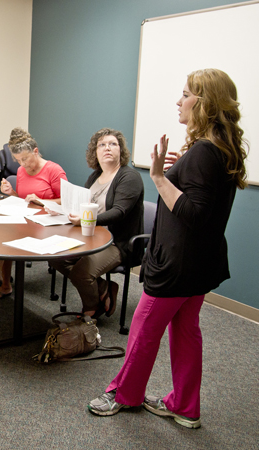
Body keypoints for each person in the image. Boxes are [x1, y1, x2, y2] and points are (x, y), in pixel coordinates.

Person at [87, 69, 248, 429]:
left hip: (178, 263)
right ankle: (185, 406)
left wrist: (160, 176)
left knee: (145, 329)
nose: (179, 100)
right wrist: (179, 173)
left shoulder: (206, 151)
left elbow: (194, 214)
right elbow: (200, 198)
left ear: (204, 104)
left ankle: (123, 394)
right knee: (186, 330)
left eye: (187, 94)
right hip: (201, 262)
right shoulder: (221, 147)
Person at [48, 129, 144, 318]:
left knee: (81, 273)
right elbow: (81, 205)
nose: (107, 148)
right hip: (90, 237)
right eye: (102, 145)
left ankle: (92, 309)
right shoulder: (94, 177)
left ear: (121, 151)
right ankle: (104, 287)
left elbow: (119, 212)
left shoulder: (129, 177)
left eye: (113, 144)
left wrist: (86, 220)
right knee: (55, 257)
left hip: (118, 243)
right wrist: (62, 210)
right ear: (95, 152)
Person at [0, 127, 68, 299]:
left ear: (36, 151)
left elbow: (68, 201)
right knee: (1, 233)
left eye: (25, 159)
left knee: (10, 237)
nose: (22, 164)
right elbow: (24, 200)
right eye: (18, 160)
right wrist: (11, 193)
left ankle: (2, 281)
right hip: (27, 220)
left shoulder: (53, 170)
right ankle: (4, 283)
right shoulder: (22, 171)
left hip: (49, 224)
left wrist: (42, 201)